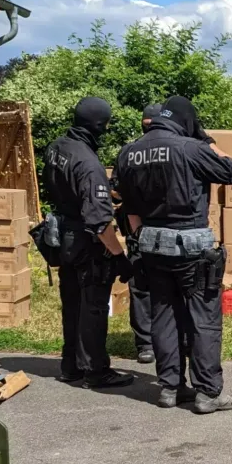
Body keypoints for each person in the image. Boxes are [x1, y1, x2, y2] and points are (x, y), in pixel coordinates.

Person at [114, 96, 232, 413]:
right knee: (203, 319)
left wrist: (139, 237)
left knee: (164, 315)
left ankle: (170, 388)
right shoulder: (191, 147)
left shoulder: (129, 152)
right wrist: (207, 140)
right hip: (192, 247)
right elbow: (230, 171)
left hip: (151, 246)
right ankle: (208, 393)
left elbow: (125, 200)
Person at [42, 97, 134, 389]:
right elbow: (98, 223)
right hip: (86, 242)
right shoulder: (89, 162)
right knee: (93, 307)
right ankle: (95, 370)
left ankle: (71, 366)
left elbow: (64, 187)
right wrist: (119, 255)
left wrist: (103, 191)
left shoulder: (57, 147)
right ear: (99, 125)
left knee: (72, 304)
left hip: (63, 237)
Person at [112, 104, 162, 364]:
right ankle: (159, 341)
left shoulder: (129, 151)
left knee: (142, 287)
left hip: (136, 229)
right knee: (159, 286)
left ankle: (146, 344)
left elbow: (115, 190)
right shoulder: (174, 149)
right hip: (163, 228)